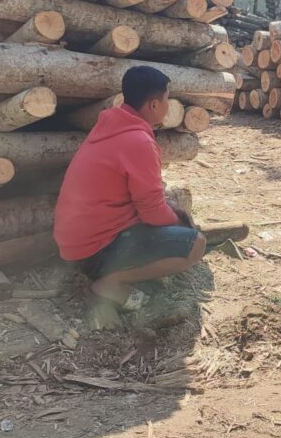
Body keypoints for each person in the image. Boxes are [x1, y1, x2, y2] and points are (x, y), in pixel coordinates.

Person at [54, 66, 206, 311]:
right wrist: (179, 223)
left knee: (174, 220)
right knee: (195, 243)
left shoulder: (109, 126)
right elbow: (152, 212)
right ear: (154, 105)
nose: (169, 106)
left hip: (76, 243)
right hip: (94, 251)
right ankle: (111, 282)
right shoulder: (138, 142)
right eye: (167, 100)